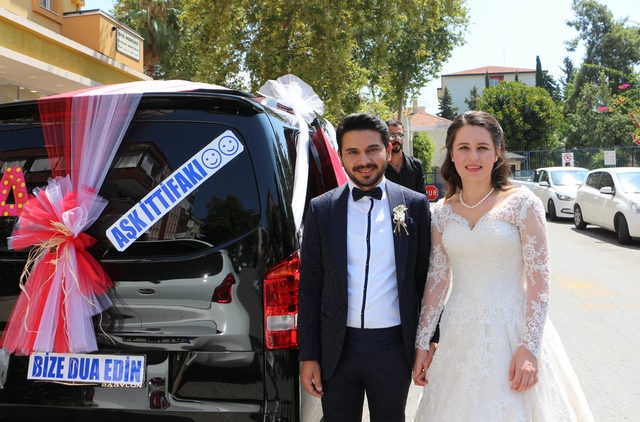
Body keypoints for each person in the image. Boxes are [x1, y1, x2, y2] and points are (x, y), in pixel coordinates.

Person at [412, 111, 594, 421]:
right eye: (464, 147)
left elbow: (539, 282)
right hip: (459, 331)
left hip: (513, 332)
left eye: (482, 147)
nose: (473, 156)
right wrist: (422, 343)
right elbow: (437, 282)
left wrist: (530, 348)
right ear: (451, 153)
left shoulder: (523, 203)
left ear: (497, 152)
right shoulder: (441, 212)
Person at [298, 113, 433, 421]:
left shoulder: (414, 205)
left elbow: (425, 280)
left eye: (372, 150)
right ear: (340, 156)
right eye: (353, 152)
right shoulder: (321, 209)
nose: (364, 161)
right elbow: (310, 288)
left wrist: (427, 342)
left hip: (393, 350)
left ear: (388, 148)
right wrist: (309, 355)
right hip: (336, 350)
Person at [385, 119, 427, 194]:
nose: (397, 139)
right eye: (392, 135)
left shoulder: (416, 165)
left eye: (400, 135)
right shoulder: (379, 167)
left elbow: (422, 196)